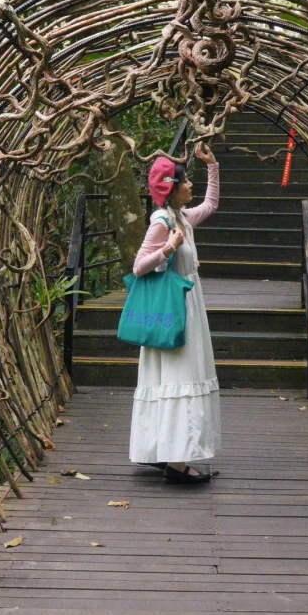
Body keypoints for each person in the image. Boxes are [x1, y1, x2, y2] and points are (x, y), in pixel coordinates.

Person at [128, 142, 220, 484]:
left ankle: (165, 451)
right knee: (179, 378)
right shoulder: (163, 223)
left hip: (187, 306)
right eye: (185, 181)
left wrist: (213, 167)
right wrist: (168, 247)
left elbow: (210, 204)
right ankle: (177, 465)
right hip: (174, 310)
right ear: (171, 187)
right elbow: (139, 267)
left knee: (175, 379)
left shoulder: (182, 218)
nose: (190, 186)